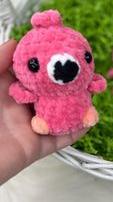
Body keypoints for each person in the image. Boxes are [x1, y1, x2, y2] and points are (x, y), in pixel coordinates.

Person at [0, 40, 87, 185]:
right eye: (33, 65)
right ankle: (44, 123)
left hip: (78, 110)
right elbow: (21, 93)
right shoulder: (38, 90)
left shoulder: (79, 86)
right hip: (44, 121)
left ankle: (86, 114)